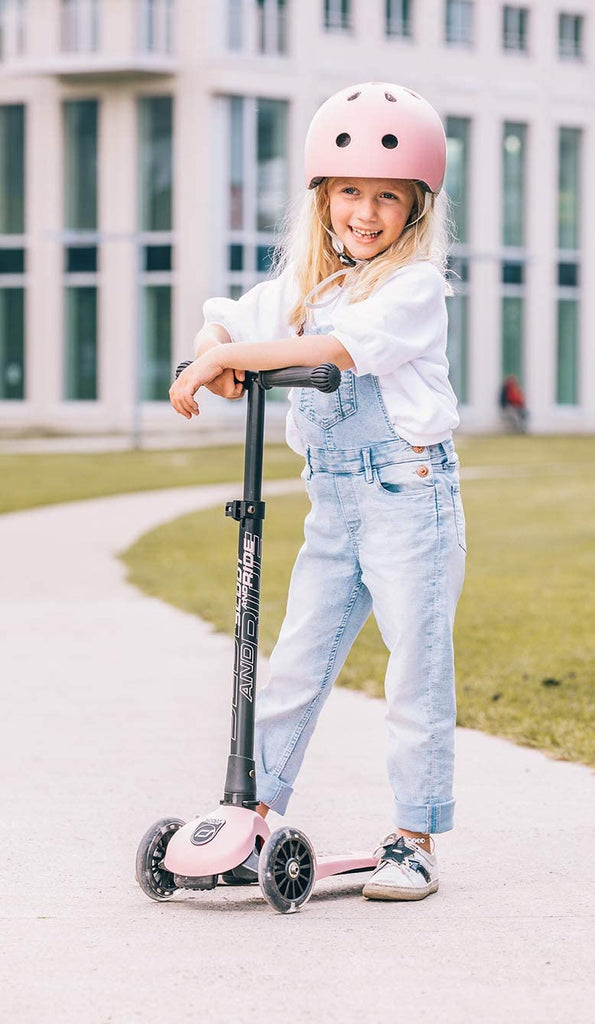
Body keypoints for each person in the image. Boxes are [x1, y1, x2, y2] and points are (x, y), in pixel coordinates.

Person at [170, 82, 467, 902]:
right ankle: (251, 817)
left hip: (408, 500)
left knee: (415, 673)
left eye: (386, 197)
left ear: (415, 207)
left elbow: (335, 350)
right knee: (295, 665)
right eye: (349, 193)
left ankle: (413, 840)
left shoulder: (413, 288)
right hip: (333, 504)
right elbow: (235, 317)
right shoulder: (310, 285)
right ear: (322, 197)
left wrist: (225, 361)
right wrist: (212, 347)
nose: (364, 213)